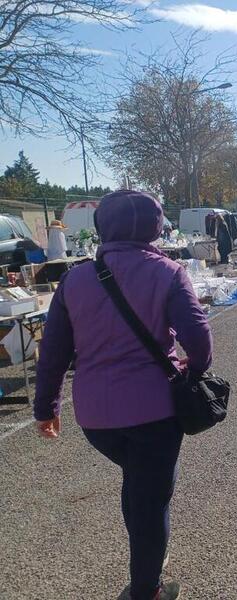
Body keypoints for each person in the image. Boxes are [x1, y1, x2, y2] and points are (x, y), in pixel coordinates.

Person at [33, 190, 212, 600]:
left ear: (101, 227)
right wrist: (192, 371)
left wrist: (46, 408)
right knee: (150, 501)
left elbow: (54, 351)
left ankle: (148, 557)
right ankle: (146, 589)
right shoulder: (167, 272)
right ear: (155, 227)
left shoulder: (75, 278)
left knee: (138, 487)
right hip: (154, 413)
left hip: (96, 419)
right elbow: (199, 339)